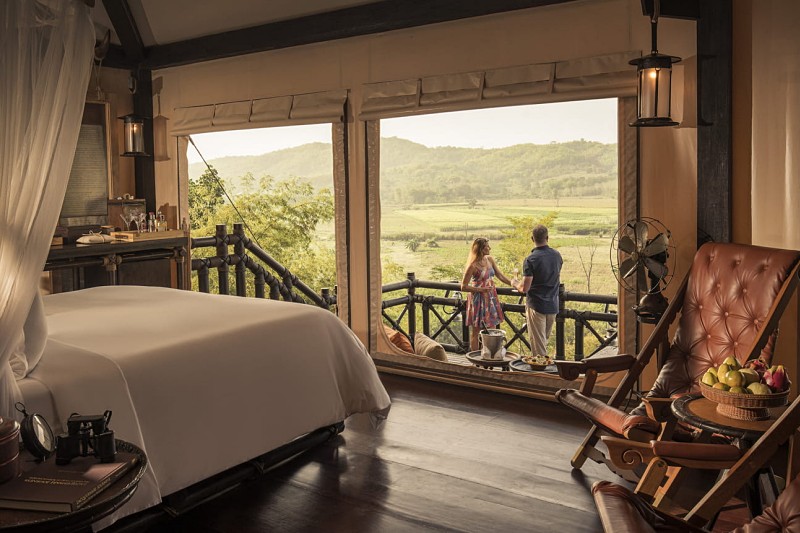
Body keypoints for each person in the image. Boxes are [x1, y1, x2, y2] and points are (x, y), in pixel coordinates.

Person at [513, 225, 563, 358]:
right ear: (547, 238)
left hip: (536, 305)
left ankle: (540, 369)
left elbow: (525, 288)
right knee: (543, 342)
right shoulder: (556, 255)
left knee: (538, 345)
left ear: (532, 239)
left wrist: (515, 283)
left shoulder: (531, 259)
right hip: (553, 304)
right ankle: (543, 366)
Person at [461, 237, 514, 352]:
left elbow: (500, 275)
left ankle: (489, 355)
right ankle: (475, 356)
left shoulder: (490, 259)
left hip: (490, 297)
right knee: (476, 330)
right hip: (478, 299)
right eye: (487, 247)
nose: (490, 248)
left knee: (491, 327)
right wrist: (481, 290)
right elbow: (463, 286)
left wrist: (514, 284)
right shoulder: (473, 266)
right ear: (480, 249)